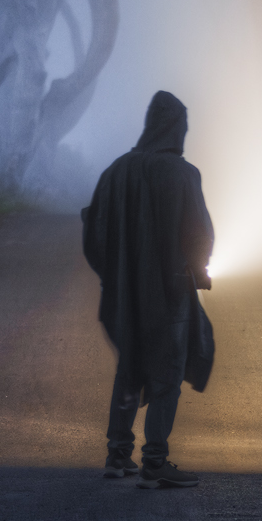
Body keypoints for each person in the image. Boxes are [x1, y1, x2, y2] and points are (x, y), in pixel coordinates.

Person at [81, 90, 214, 488]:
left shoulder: (116, 171)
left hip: (123, 295)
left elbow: (94, 232)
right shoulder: (182, 173)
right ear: (175, 127)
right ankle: (155, 461)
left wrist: (113, 275)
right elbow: (198, 234)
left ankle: (117, 455)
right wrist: (199, 269)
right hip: (169, 293)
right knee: (167, 374)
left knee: (130, 367)